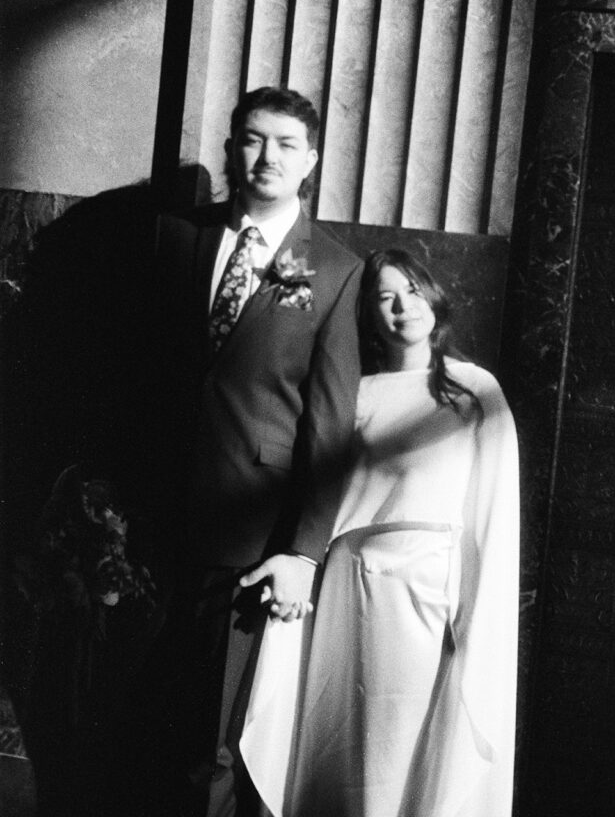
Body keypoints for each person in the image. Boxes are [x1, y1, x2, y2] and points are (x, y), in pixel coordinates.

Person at [144, 86, 363, 817]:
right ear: (232, 146)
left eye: (285, 144)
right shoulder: (175, 237)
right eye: (251, 139)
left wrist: (302, 552)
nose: (266, 157)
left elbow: (329, 428)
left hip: (247, 538)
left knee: (208, 743)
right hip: (146, 526)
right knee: (132, 720)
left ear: (310, 160)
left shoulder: (335, 270)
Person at [240, 248, 520, 817]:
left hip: (423, 591)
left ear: (433, 297)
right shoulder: (356, 392)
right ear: (368, 314)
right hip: (347, 587)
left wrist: (472, 609)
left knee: (401, 745)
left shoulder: (473, 390)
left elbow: (492, 508)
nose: (402, 307)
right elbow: (325, 491)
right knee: (340, 745)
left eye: (412, 291)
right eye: (385, 297)